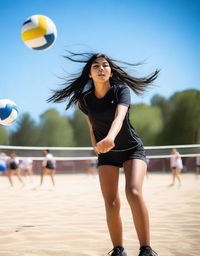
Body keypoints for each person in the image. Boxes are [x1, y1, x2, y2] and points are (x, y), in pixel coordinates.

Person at [48, 52, 159, 256]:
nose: (101, 69)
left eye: (105, 65)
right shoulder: (85, 100)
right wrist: (96, 146)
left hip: (132, 149)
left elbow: (119, 118)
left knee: (133, 192)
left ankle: (146, 249)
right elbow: (91, 127)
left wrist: (110, 138)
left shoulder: (121, 91)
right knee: (111, 202)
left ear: (110, 71)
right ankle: (118, 250)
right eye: (96, 66)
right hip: (107, 155)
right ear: (89, 74)